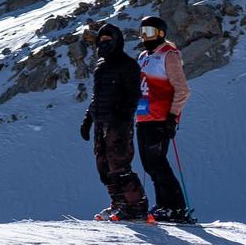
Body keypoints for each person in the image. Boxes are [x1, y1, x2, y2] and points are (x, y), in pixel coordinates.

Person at [80, 21, 149, 221]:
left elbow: (134, 94)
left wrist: (123, 116)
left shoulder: (127, 64)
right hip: (101, 122)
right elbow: (97, 96)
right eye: (101, 40)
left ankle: (136, 207)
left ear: (118, 41)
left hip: (118, 124)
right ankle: (119, 203)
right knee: (104, 167)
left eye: (109, 40)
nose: (105, 43)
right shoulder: (101, 66)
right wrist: (88, 120)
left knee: (119, 165)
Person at [134, 14, 193, 222]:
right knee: (149, 165)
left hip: (160, 117)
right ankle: (163, 206)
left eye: (149, 32)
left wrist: (172, 116)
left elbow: (182, 89)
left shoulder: (169, 55)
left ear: (160, 33)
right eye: (142, 32)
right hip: (143, 116)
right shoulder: (143, 56)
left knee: (157, 163)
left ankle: (176, 207)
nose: (145, 36)